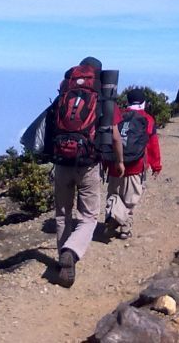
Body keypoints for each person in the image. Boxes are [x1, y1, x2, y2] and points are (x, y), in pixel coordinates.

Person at [52, 56, 124, 288]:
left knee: (62, 214)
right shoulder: (103, 97)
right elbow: (114, 136)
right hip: (88, 163)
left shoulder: (66, 92)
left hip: (62, 160)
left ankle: (62, 259)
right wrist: (119, 161)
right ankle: (71, 252)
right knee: (89, 216)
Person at [103, 88, 162, 239]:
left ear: (127, 102)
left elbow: (108, 140)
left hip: (115, 165)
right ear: (144, 103)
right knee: (130, 200)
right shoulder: (148, 119)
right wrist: (156, 166)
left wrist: (105, 164)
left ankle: (113, 217)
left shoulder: (118, 116)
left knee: (114, 194)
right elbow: (153, 145)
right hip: (136, 166)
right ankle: (125, 228)